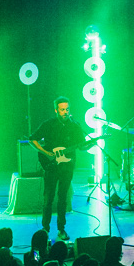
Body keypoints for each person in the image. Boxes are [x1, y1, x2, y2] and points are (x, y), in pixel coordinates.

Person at [29, 96, 89, 240]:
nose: (65, 112)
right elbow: (32, 139)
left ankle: (61, 229)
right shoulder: (48, 124)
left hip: (67, 166)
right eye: (62, 110)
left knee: (63, 198)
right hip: (51, 166)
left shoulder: (75, 126)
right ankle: (45, 229)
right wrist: (45, 153)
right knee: (48, 199)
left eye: (67, 109)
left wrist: (92, 143)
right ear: (56, 110)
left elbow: (82, 146)